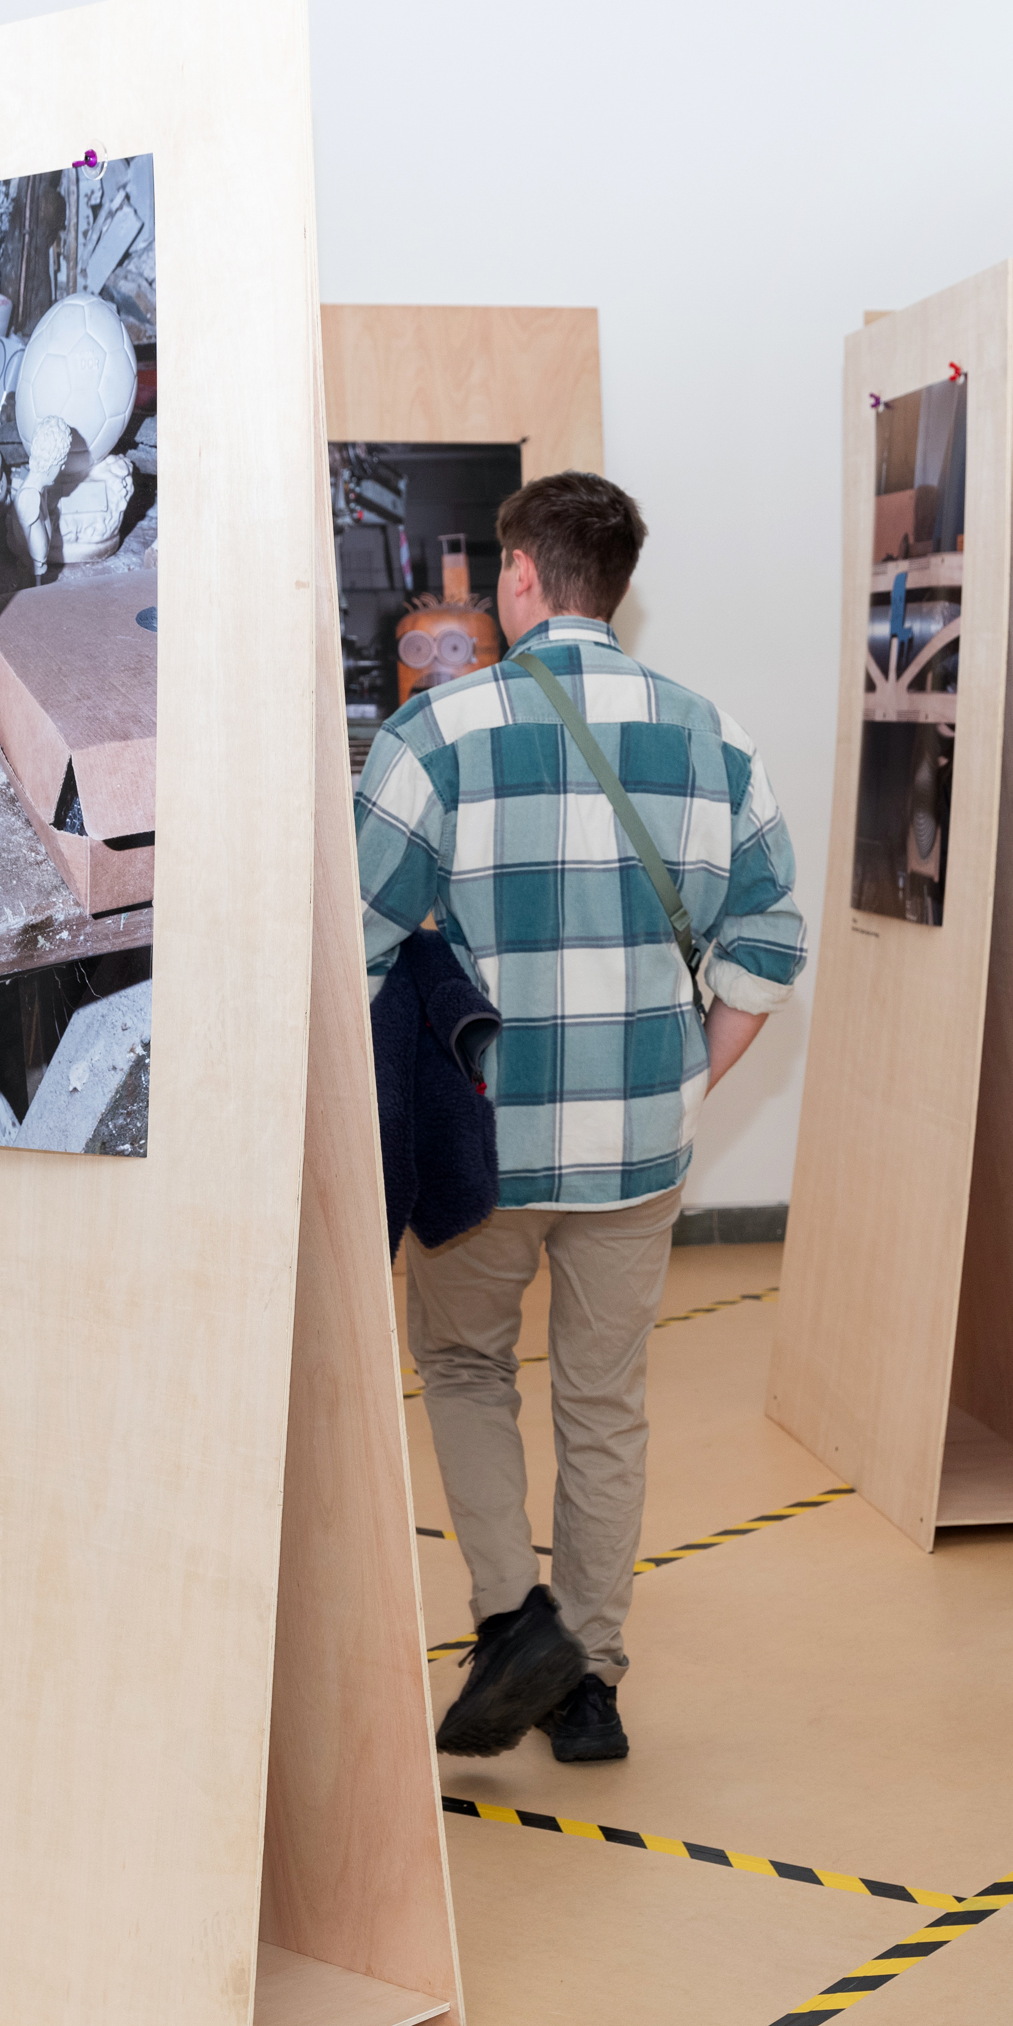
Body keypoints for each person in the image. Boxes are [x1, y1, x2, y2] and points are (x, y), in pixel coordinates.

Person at [356, 473, 808, 1767]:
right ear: (614, 585)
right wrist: (681, 1086)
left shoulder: (433, 735)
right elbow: (768, 948)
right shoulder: (708, 733)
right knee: (605, 1402)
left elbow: (358, 946)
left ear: (518, 577)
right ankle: (592, 1680)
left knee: (462, 1369)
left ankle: (514, 1623)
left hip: (479, 1143)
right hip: (637, 1149)